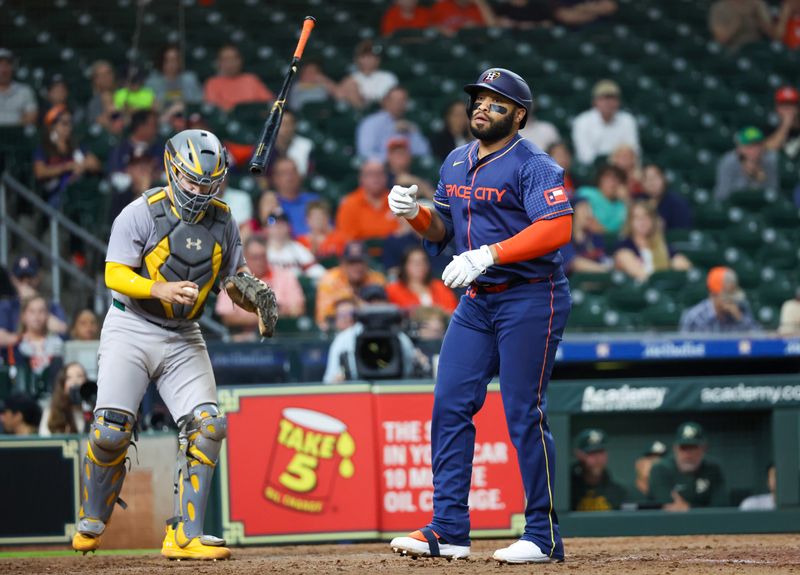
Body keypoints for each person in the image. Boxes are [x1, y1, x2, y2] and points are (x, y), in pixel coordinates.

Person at [388, 68, 572, 564]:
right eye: (478, 99)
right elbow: (442, 230)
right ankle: (448, 530)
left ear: (519, 115)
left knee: (522, 412)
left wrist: (489, 253)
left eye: (495, 101)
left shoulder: (533, 163)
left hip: (532, 296)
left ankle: (542, 535)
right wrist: (414, 213)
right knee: (449, 405)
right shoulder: (454, 161)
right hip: (477, 299)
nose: (482, 106)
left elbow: (557, 228)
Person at [71, 129, 259, 560]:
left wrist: (252, 294)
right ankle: (93, 515)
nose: (198, 191)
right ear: (172, 170)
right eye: (191, 181)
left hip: (184, 335)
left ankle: (185, 534)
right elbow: (114, 273)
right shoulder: (140, 212)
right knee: (110, 432)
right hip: (131, 326)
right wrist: (160, 289)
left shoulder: (224, 220)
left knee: (209, 426)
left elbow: (235, 278)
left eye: (207, 183)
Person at [322, 285, 417, 383]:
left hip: (391, 390)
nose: (374, 306)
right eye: (370, 301)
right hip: (357, 391)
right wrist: (339, 381)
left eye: (379, 301)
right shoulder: (344, 339)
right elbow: (329, 380)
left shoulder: (400, 338)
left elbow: (408, 376)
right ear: (360, 305)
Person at [216, 236, 305, 340]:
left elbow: (298, 309)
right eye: (255, 257)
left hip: (282, 337)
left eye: (263, 256)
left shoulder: (285, 276)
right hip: (245, 339)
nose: (260, 261)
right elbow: (228, 317)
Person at [33, 105, 102, 208]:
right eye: (64, 123)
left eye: (70, 123)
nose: (68, 127)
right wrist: (66, 167)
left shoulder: (76, 145)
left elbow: (96, 164)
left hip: (79, 190)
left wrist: (81, 166)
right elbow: (40, 172)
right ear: (53, 125)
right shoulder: (44, 148)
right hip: (57, 193)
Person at [649, 422, 727, 510]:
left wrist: (689, 508)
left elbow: (720, 507)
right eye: (684, 448)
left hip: (708, 522)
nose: (688, 454)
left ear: (704, 448)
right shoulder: (661, 469)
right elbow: (668, 507)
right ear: (675, 448)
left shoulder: (713, 469)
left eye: (693, 447)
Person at [614, 201, 692, 283]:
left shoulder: (662, 245)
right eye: (637, 218)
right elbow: (640, 274)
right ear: (630, 222)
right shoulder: (624, 247)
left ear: (652, 220)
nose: (642, 221)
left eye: (646, 217)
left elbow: (683, 263)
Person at [316, 242, 386, 330]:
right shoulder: (330, 279)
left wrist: (354, 302)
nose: (357, 266)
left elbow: (383, 311)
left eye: (360, 261)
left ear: (367, 262)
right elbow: (323, 318)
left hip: (371, 329)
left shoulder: (376, 279)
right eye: (352, 262)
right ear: (343, 263)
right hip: (339, 331)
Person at [0, 255, 68, 347]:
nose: (26, 282)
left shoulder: (51, 305)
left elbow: (62, 330)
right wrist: (26, 339)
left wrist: (35, 300)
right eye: (21, 278)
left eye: (30, 277)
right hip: (13, 358)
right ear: (13, 280)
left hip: (45, 355)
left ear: (38, 277)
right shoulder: (6, 306)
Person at [571, 80, 640, 166]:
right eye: (603, 98)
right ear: (595, 102)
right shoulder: (582, 121)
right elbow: (585, 156)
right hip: (593, 169)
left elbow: (633, 151)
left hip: (622, 167)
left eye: (612, 98)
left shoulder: (627, 120)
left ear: (618, 101)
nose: (608, 102)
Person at [356, 86, 431, 161]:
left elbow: (424, 153)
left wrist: (413, 132)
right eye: (395, 101)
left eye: (403, 101)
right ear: (386, 102)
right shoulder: (371, 123)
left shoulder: (410, 124)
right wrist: (393, 160)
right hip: (382, 168)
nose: (399, 104)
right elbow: (365, 153)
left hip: (408, 168)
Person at [680, 266, 761, 333]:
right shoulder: (695, 317)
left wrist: (739, 318)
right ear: (713, 294)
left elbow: (760, 341)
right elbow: (686, 348)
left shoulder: (741, 310)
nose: (731, 298)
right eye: (727, 294)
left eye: (733, 293)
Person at [335, 159, 400, 242]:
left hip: (395, 252)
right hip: (361, 253)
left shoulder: (397, 201)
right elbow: (346, 238)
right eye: (370, 174)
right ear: (361, 178)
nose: (376, 177)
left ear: (386, 177)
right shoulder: (349, 204)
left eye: (380, 173)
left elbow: (404, 234)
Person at [15, 295, 65, 396]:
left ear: (48, 315)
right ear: (23, 316)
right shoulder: (15, 346)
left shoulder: (59, 343)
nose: (37, 316)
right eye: (32, 311)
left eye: (41, 311)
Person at [386, 246, 458, 313]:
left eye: (423, 262)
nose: (420, 266)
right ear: (404, 266)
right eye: (414, 262)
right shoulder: (393, 290)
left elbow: (452, 310)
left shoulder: (439, 286)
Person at [714, 126, 780, 201]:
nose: (754, 150)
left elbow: (773, 193)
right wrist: (745, 177)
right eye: (749, 146)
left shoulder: (770, 160)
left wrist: (758, 178)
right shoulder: (728, 162)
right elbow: (722, 196)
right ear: (739, 148)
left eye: (758, 145)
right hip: (735, 206)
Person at [571, 428, 629, 511]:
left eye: (601, 452)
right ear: (580, 455)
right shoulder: (570, 491)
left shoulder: (618, 492)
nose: (597, 459)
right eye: (591, 453)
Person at [203, 44, 273, 112]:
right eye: (226, 59)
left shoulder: (250, 79)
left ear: (240, 61)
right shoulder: (213, 83)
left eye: (234, 58)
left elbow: (269, 102)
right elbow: (214, 108)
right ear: (219, 62)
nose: (230, 63)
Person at [264, 211, 326, 280]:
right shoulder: (261, 249)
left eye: (282, 224)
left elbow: (316, 270)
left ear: (289, 227)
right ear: (267, 228)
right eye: (274, 225)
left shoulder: (297, 249)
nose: (278, 228)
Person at [338, 40, 398, 110]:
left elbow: (389, 101)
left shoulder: (388, 77)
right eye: (363, 56)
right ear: (357, 59)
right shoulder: (351, 79)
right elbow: (340, 96)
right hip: (358, 113)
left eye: (370, 56)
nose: (367, 60)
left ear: (378, 59)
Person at [560, 198, 612, 274]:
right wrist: (605, 270)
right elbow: (575, 263)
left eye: (589, 209)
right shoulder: (564, 238)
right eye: (583, 208)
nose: (589, 213)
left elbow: (604, 259)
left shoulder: (595, 237)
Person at [271, 157, 320, 236]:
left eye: (293, 171)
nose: (290, 177)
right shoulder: (272, 202)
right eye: (284, 173)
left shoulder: (314, 200)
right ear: (275, 178)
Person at [40, 362, 92, 435]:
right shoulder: (52, 411)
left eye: (79, 376)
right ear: (63, 384)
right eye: (69, 377)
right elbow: (45, 438)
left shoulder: (92, 408)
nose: (75, 381)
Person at [145, 44, 203, 109]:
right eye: (167, 60)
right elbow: (150, 105)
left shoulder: (189, 78)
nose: (172, 64)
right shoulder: (152, 81)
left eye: (175, 60)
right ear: (161, 61)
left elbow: (199, 100)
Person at [576, 164, 629, 234]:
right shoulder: (585, 193)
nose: (612, 183)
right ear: (600, 179)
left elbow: (617, 230)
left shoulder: (621, 206)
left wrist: (626, 200)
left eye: (616, 180)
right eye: (607, 178)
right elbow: (583, 221)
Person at [106, 109, 162, 175]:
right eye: (154, 125)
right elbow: (114, 174)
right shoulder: (120, 150)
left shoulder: (160, 150)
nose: (156, 129)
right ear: (140, 127)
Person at [640, 163, 692, 230]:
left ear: (663, 179)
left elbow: (682, 234)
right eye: (647, 179)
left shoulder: (678, 203)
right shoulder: (638, 201)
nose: (651, 183)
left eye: (655, 178)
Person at [709, 0, 773, 52]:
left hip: (758, 47)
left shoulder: (757, 4)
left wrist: (758, 14)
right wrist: (737, 20)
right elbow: (721, 39)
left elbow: (772, 34)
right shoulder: (719, 8)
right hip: (736, 50)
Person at [268, 110, 314, 178]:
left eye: (287, 124)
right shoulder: (263, 147)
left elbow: (309, 174)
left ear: (295, 125)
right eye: (280, 124)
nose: (284, 129)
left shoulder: (306, 146)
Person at [0, 48, 37, 127]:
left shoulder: (24, 90)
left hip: (17, 136)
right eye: (0, 65)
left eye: (7, 64)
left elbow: (31, 117)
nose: (3, 70)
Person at [765, 86, 800, 159]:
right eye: (783, 105)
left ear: (797, 108)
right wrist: (786, 124)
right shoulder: (770, 128)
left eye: (791, 104)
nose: (787, 109)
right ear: (777, 108)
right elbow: (768, 151)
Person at [430, 0, 497, 35]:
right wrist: (440, 29)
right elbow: (429, 26)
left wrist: (481, 3)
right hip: (448, 44)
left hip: (473, 46)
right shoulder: (442, 6)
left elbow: (492, 27)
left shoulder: (478, 8)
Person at [85, 60, 117, 129]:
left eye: (108, 73)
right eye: (102, 75)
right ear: (95, 80)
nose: (106, 77)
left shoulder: (124, 94)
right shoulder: (94, 104)